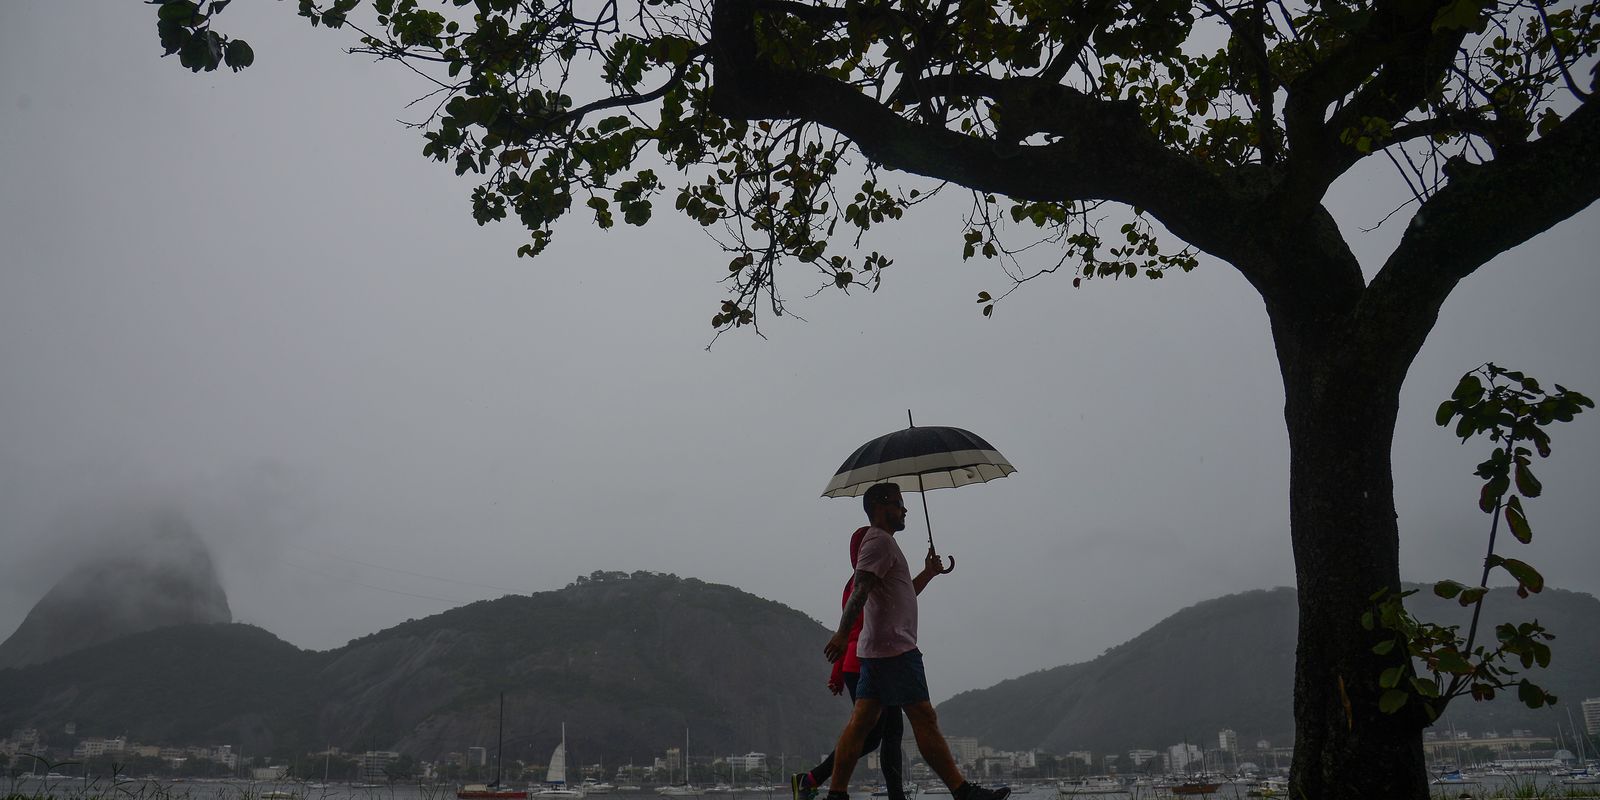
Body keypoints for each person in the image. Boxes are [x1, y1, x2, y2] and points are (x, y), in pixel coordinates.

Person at [820, 483, 1008, 800]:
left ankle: (836, 793)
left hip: (880, 651)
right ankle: (962, 791)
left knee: (861, 723)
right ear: (880, 507)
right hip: (895, 651)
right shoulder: (878, 542)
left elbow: (900, 595)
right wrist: (841, 634)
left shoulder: (885, 544)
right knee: (923, 717)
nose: (904, 509)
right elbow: (860, 591)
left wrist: (928, 572)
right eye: (898, 503)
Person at [790, 527, 905, 800]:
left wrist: (929, 573)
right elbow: (853, 630)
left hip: (865, 663)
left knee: (879, 734)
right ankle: (816, 780)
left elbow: (900, 602)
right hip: (870, 662)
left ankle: (811, 778)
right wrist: (838, 672)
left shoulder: (863, 581)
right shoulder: (864, 583)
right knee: (881, 734)